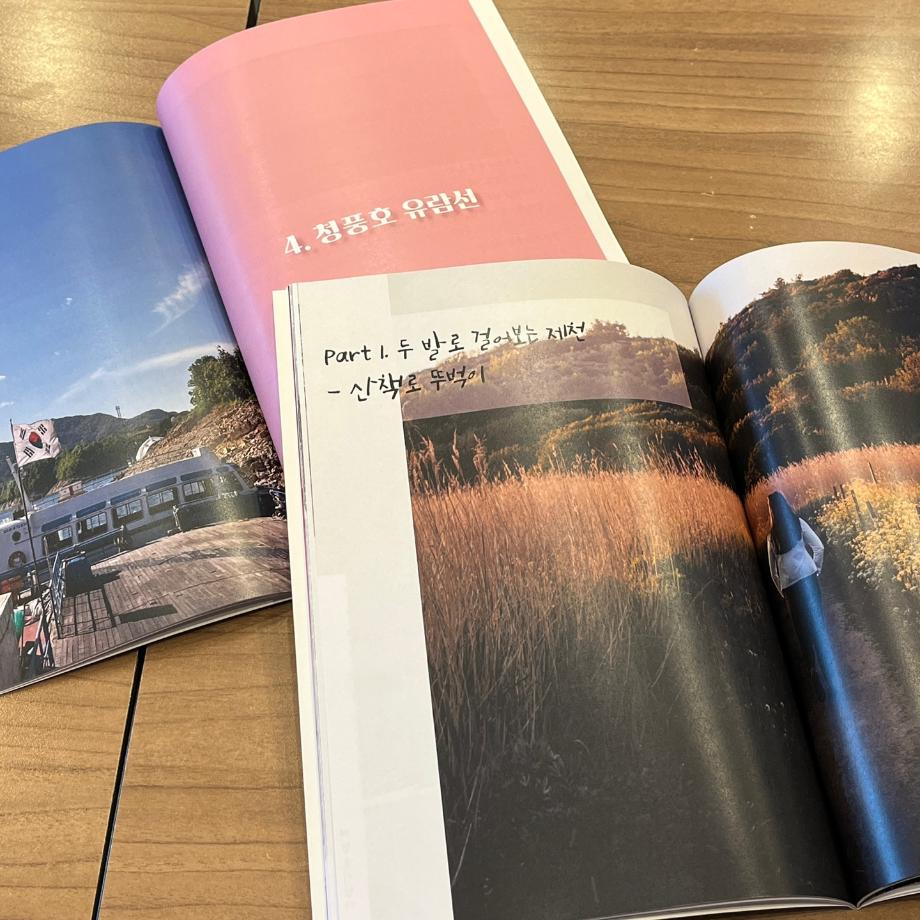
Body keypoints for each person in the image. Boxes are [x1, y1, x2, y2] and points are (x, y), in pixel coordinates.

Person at [766, 491, 828, 703]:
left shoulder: (772, 538)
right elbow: (819, 547)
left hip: (791, 589)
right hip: (809, 578)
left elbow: (773, 572)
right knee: (818, 624)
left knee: (803, 634)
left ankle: (813, 672)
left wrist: (782, 591)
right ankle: (828, 670)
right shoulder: (798, 523)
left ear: (772, 512)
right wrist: (816, 570)